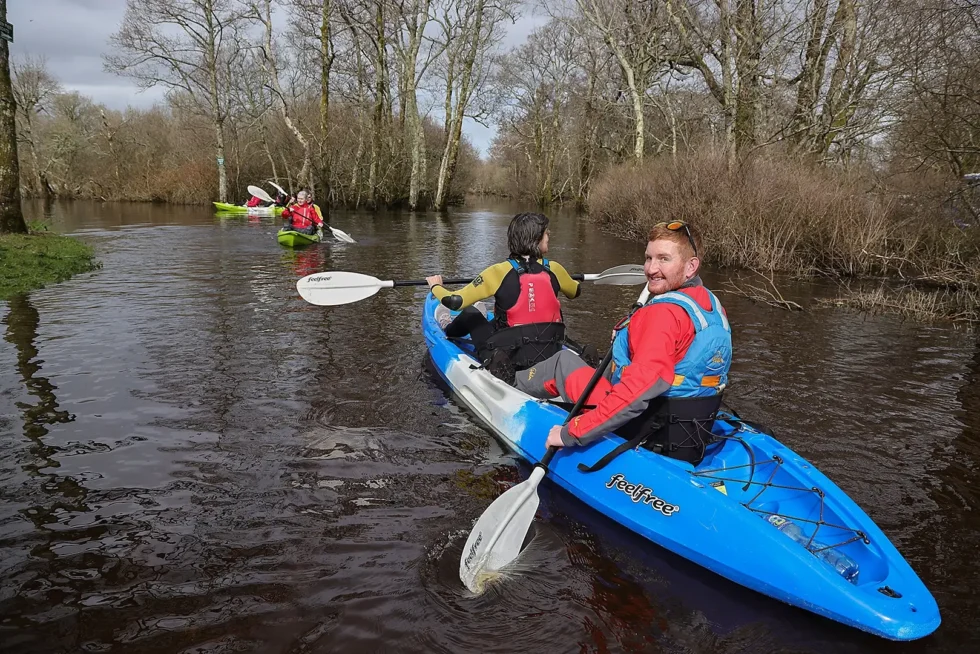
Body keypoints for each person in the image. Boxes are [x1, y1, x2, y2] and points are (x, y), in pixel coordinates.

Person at [513, 221, 732, 465]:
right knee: (602, 368)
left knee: (563, 362)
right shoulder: (712, 306)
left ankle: (507, 385)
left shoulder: (663, 314)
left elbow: (637, 393)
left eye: (663, 259)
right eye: (648, 258)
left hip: (644, 429)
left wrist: (571, 432)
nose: (651, 269)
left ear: (691, 267)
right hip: (689, 426)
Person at [425, 212, 585, 381]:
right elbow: (575, 291)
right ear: (535, 238)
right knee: (499, 320)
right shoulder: (555, 269)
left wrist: (436, 286)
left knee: (471, 313)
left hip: (512, 355)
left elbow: (455, 301)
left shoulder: (498, 272)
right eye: (546, 233)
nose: (549, 236)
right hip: (550, 349)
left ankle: (448, 332)